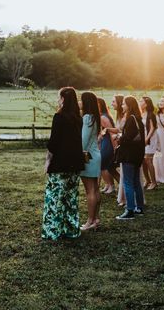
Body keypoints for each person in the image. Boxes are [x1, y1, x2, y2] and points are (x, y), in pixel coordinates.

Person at [42, 87, 86, 240]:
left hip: (60, 163)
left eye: (59, 97)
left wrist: (48, 161)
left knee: (55, 197)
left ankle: (53, 230)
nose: (57, 100)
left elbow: (53, 142)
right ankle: (71, 229)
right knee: (70, 197)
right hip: (75, 163)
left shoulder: (59, 117)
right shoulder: (78, 118)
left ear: (63, 99)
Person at [115, 95, 145, 220]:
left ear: (129, 105)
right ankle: (139, 207)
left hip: (129, 155)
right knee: (136, 181)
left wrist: (119, 138)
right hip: (137, 154)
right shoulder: (138, 119)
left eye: (123, 104)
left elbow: (127, 139)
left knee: (128, 182)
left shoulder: (131, 120)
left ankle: (130, 210)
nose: (122, 106)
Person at [80, 91, 102, 231]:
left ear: (86, 102)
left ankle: (90, 221)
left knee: (90, 191)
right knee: (95, 189)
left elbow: (83, 141)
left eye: (81, 100)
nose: (79, 102)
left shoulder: (87, 117)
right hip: (95, 155)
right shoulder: (95, 117)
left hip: (88, 157)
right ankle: (96, 219)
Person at [98, 97, 119, 194]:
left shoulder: (103, 117)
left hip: (108, 143)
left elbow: (111, 132)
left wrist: (115, 147)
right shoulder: (101, 115)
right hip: (104, 142)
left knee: (104, 164)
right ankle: (107, 184)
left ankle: (111, 186)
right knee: (103, 164)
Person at [140, 96, 158, 190]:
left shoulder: (151, 114)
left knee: (148, 160)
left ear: (146, 104)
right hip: (142, 140)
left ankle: (154, 182)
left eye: (141, 101)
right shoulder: (141, 114)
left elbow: (152, 128)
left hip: (150, 140)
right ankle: (147, 180)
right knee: (143, 161)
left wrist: (147, 139)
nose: (139, 102)